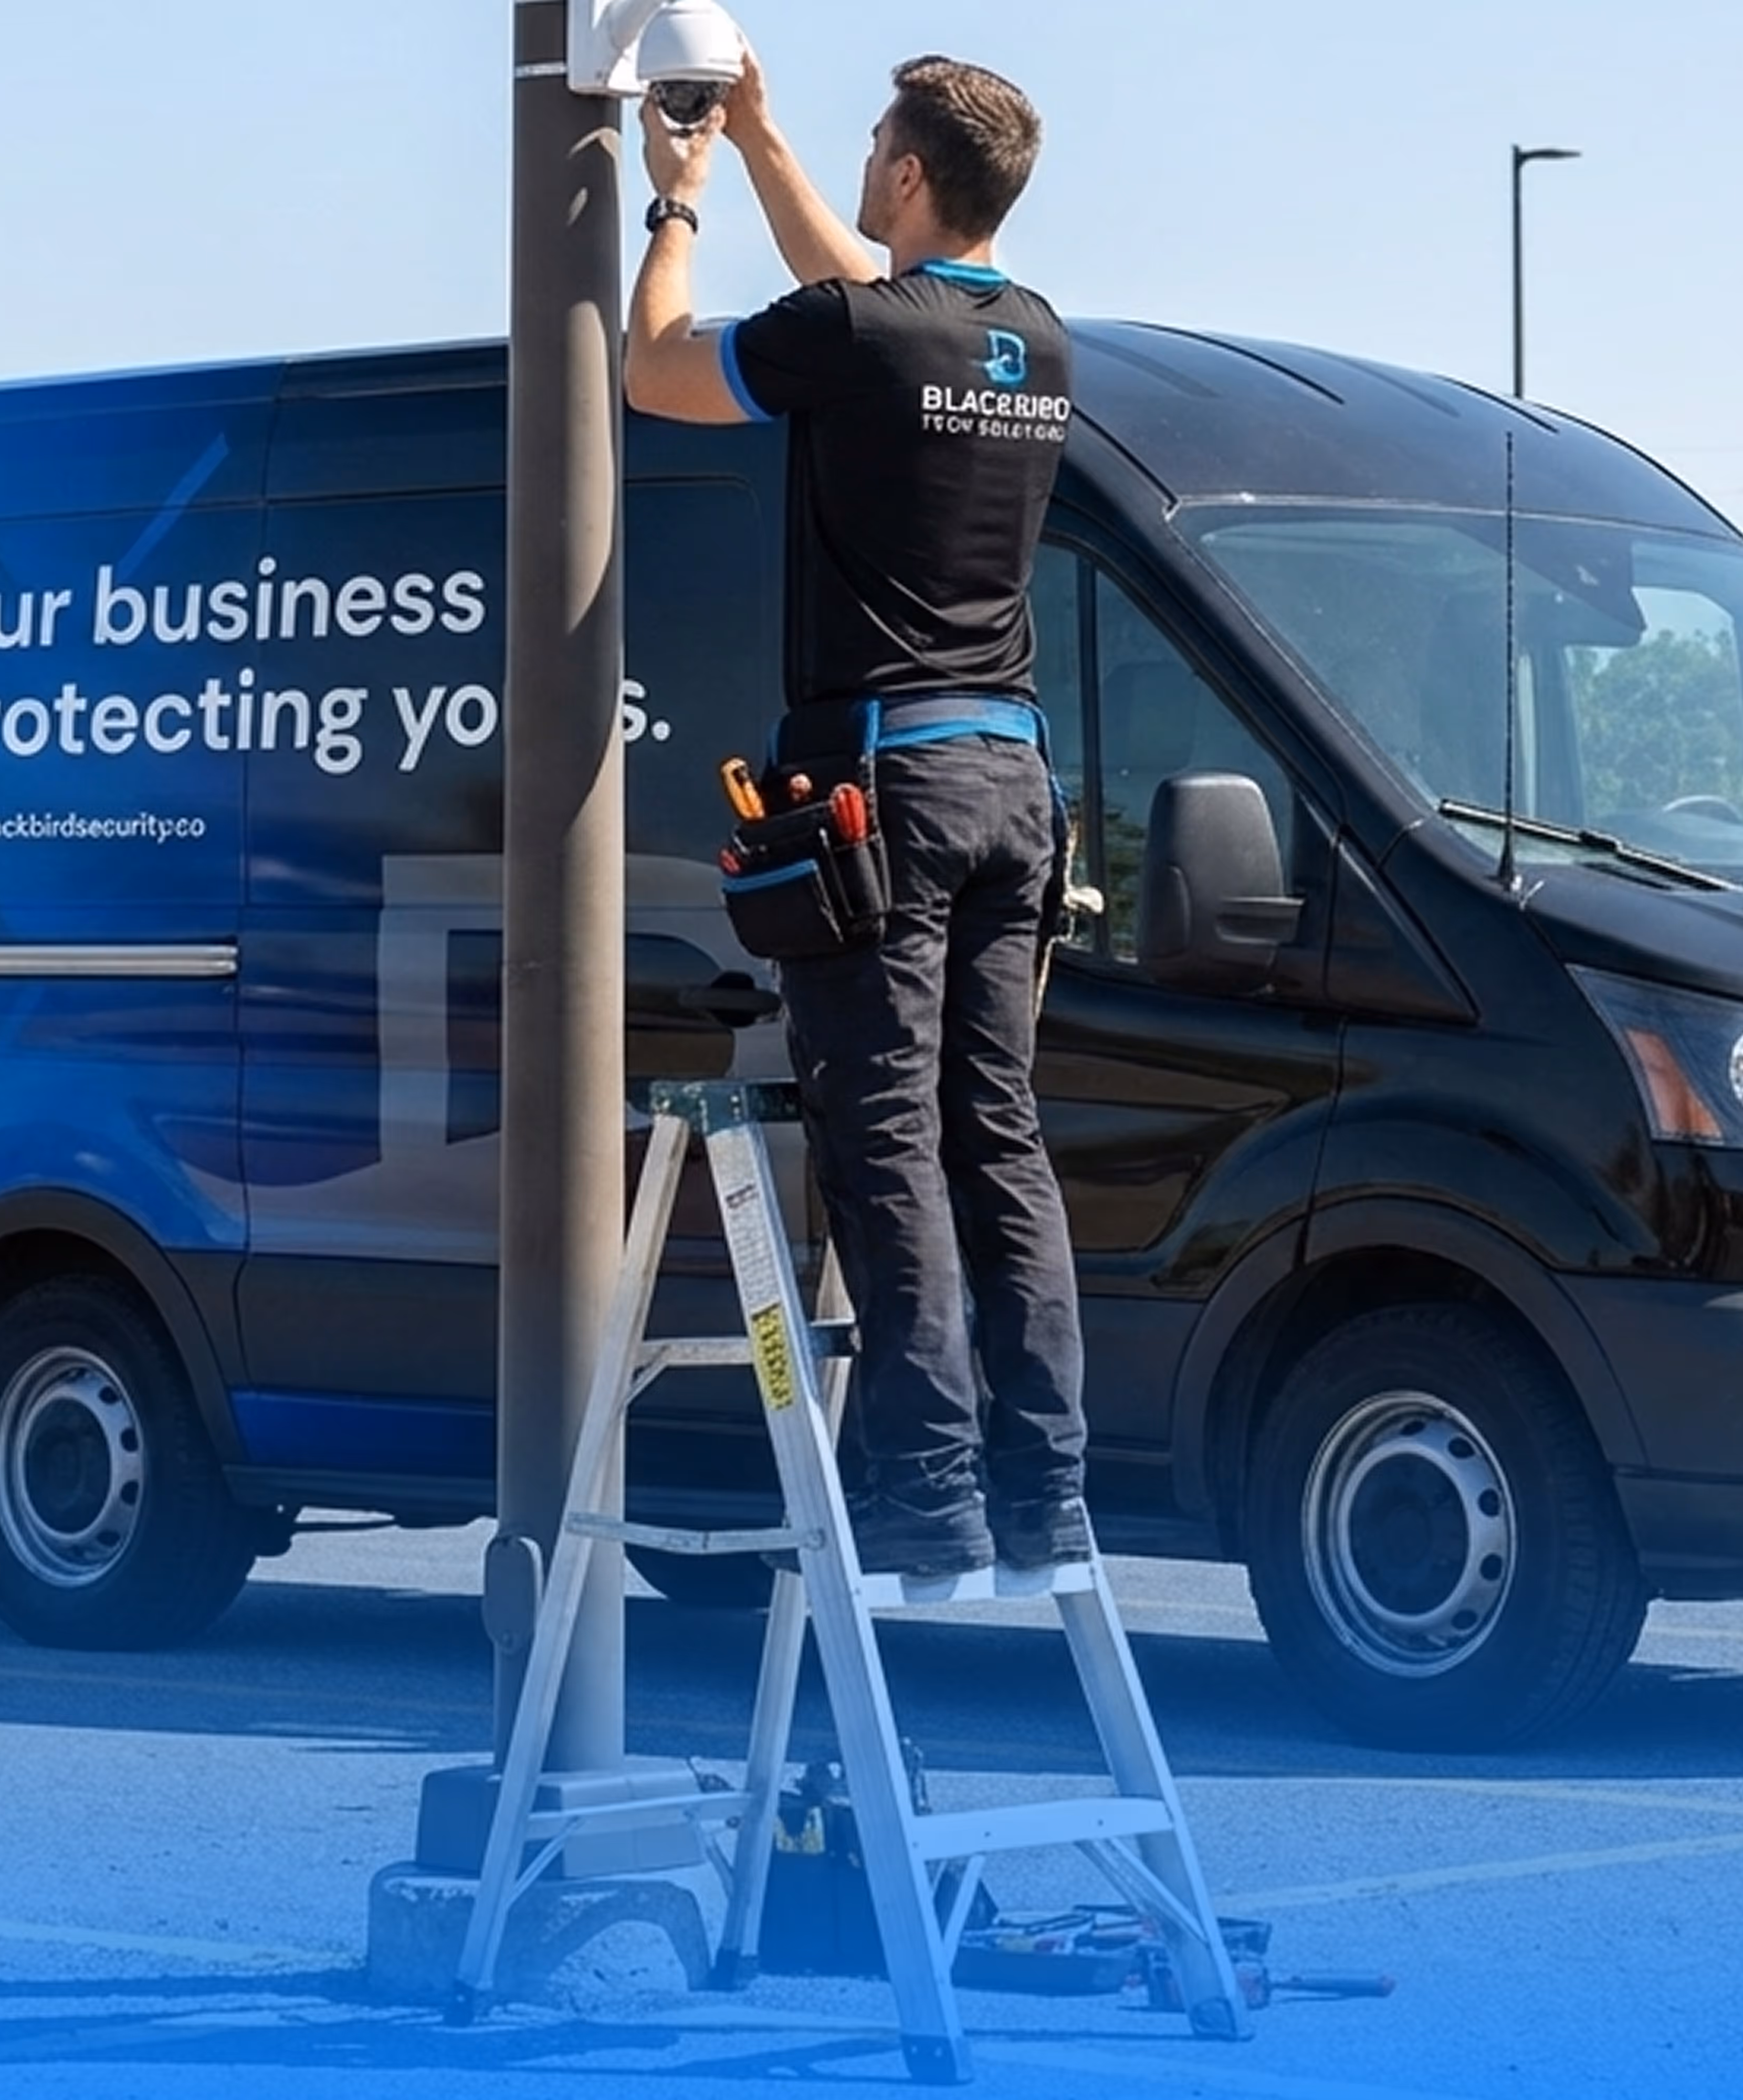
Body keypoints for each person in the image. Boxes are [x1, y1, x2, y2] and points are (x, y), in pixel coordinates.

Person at [623, 52, 1085, 1583]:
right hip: (1013, 783)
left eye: (868, 145)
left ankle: (927, 1501)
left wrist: (677, 203)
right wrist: (758, 132)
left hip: (883, 780)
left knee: (885, 1138)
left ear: (903, 176)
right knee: (995, 1138)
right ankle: (1044, 1495)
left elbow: (657, 370)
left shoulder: (857, 334)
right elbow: (868, 310)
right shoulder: (1031, 339)